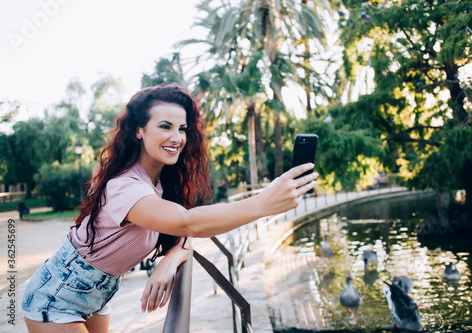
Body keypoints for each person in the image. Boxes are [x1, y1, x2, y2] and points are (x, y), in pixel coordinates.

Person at [21, 83, 317, 333]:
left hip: (99, 292)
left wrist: (169, 260)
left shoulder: (159, 183)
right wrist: (262, 203)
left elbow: (184, 234)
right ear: (139, 130)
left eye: (182, 129)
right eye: (165, 126)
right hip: (57, 295)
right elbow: (188, 224)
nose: (176, 138)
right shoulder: (125, 186)